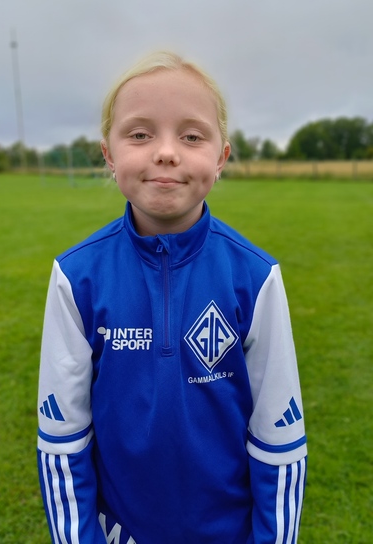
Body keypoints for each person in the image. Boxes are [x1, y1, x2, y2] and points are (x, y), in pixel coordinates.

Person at [37, 51, 307, 544]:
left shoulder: (256, 276)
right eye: (140, 134)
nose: (166, 152)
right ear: (108, 154)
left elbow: (279, 437)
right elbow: (62, 440)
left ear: (221, 157)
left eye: (192, 136)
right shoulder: (75, 278)